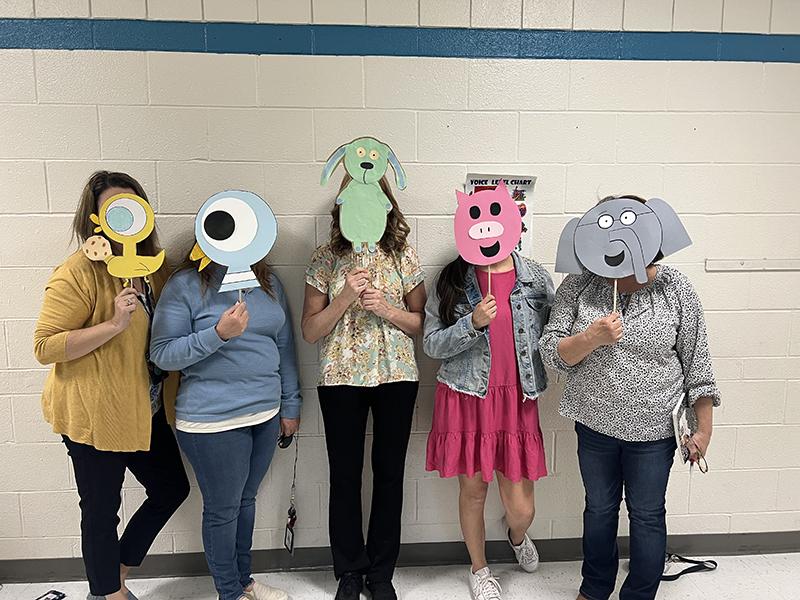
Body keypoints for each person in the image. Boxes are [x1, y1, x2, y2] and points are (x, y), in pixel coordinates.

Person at [539, 195, 720, 600]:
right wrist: (591, 337)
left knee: (647, 515)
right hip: (595, 425)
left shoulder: (676, 289)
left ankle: (639, 593)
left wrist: (703, 430)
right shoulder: (579, 284)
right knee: (599, 511)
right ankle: (595, 587)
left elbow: (698, 366)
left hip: (655, 433)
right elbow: (551, 353)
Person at [33, 171, 190, 600]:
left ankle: (114, 569)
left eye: (133, 205)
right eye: (114, 209)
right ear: (96, 218)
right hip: (94, 413)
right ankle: (108, 592)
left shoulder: (153, 268)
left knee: (171, 488)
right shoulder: (78, 273)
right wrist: (114, 324)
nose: (126, 216)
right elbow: (45, 346)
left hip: (146, 409)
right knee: (101, 511)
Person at [149, 241, 302, 600]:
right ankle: (229, 592)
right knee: (223, 509)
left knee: (246, 500)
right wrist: (218, 334)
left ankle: (244, 580)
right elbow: (162, 354)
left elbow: (285, 346)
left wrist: (290, 403)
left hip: (264, 414)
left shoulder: (268, 282)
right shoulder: (186, 284)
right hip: (212, 420)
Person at [301, 174, 426, 600]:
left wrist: (386, 308)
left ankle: (381, 573)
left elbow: (420, 323)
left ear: (386, 203)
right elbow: (310, 331)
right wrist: (344, 297)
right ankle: (350, 571)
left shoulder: (402, 256)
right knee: (345, 475)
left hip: (395, 375)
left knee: (389, 475)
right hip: (341, 379)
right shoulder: (324, 258)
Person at [423, 250, 554, 600]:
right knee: (474, 492)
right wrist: (472, 323)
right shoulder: (451, 277)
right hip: (466, 397)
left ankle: (515, 536)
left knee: (522, 509)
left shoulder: (535, 277)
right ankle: (479, 569)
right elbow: (431, 343)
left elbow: (556, 335)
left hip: (517, 400)